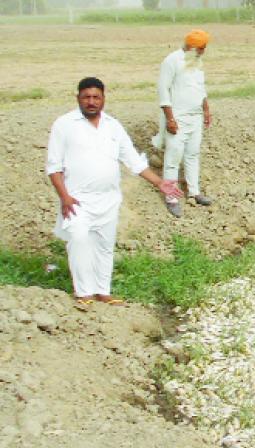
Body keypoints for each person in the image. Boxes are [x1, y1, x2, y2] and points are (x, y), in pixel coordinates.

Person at [46, 77, 183, 308]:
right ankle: (84, 293)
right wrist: (65, 197)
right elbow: (53, 167)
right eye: (86, 97)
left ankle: (103, 292)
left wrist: (160, 183)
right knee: (78, 240)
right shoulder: (64, 124)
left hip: (108, 200)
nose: (91, 102)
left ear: (103, 99)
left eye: (96, 97)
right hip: (77, 200)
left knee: (104, 246)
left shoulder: (112, 125)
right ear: (78, 98)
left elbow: (133, 160)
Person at [152, 29, 213, 218]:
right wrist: (170, 118)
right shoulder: (172, 61)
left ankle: (194, 193)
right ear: (192, 47)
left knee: (192, 154)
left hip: (195, 118)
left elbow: (200, 88)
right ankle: (171, 197)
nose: (203, 52)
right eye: (201, 48)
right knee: (173, 157)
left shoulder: (196, 62)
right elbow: (163, 90)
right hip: (178, 117)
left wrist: (206, 110)